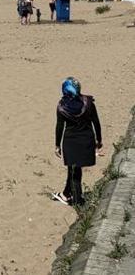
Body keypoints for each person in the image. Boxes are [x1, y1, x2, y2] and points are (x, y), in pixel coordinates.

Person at [53, 77, 103, 207]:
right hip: (87, 139)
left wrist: (57, 145)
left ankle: (77, 201)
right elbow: (96, 122)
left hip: (70, 141)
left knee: (74, 170)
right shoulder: (88, 103)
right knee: (74, 169)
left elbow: (59, 127)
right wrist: (99, 140)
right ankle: (65, 194)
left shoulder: (61, 107)